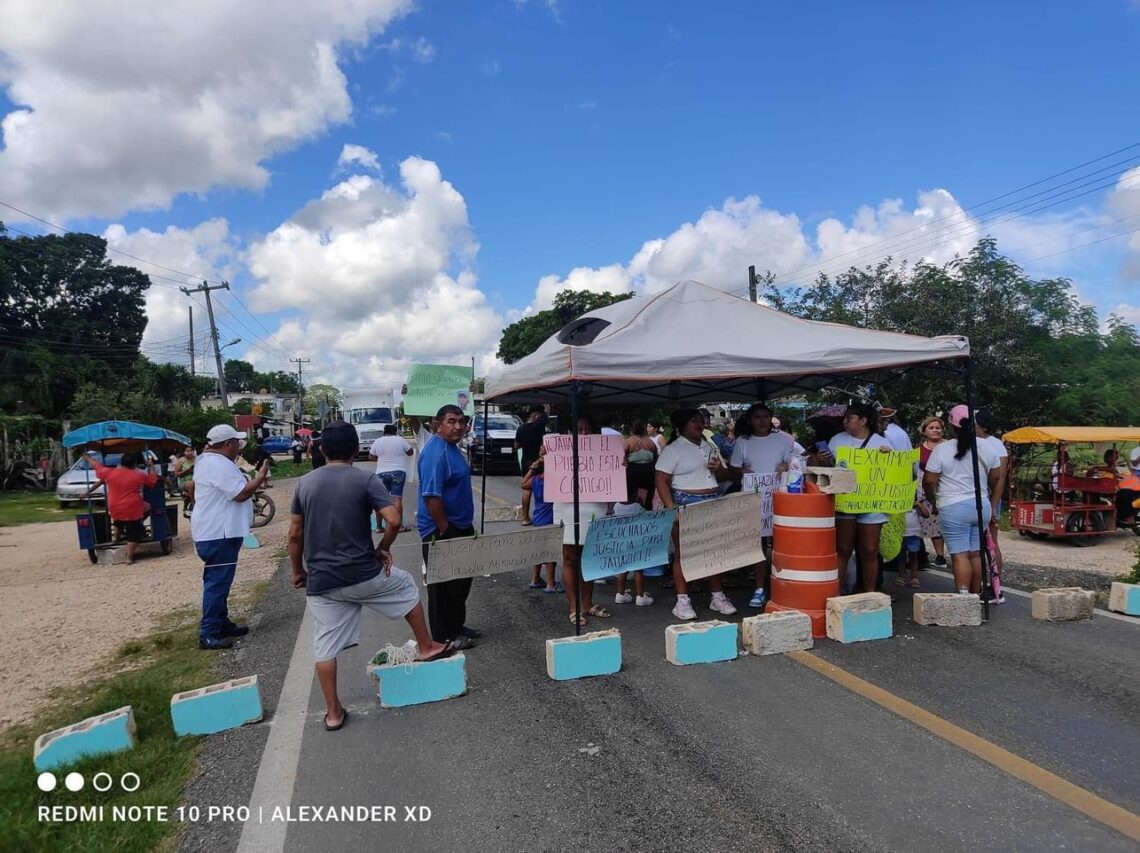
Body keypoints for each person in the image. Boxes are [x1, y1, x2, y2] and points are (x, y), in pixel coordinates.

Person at [290, 421, 450, 732]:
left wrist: (299, 572)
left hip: (323, 582)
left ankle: (333, 713)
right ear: (356, 450)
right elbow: (393, 519)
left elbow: (295, 535)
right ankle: (426, 645)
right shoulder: (365, 480)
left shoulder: (304, 484)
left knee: (324, 645)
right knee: (405, 584)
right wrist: (383, 549)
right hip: (364, 573)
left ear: (321, 450)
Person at [184, 425, 268, 650]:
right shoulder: (218, 465)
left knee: (219, 580)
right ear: (228, 444)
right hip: (218, 533)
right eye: (237, 443)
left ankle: (221, 622)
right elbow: (240, 494)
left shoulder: (207, 461)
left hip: (216, 531)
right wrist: (260, 476)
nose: (239, 447)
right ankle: (208, 631)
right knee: (217, 582)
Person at [656, 407, 738, 620]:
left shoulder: (709, 446)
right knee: (684, 553)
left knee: (713, 551)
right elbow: (661, 481)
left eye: (701, 421)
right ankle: (682, 601)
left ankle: (717, 596)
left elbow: (725, 474)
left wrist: (717, 468)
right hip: (685, 500)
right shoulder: (673, 450)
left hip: (711, 500)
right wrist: (670, 507)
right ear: (682, 425)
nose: (699, 424)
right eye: (694, 421)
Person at [417, 405, 478, 649]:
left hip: (460, 525)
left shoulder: (452, 448)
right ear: (437, 425)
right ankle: (443, 637)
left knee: (460, 582)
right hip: (441, 529)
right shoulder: (436, 452)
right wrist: (445, 528)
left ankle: (456, 626)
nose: (458, 426)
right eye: (451, 421)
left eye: (461, 422)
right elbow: (431, 495)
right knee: (442, 586)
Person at [923, 406, 1001, 596]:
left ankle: (963, 597)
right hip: (980, 505)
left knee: (960, 555)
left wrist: (932, 499)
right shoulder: (988, 447)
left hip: (953, 506)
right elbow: (996, 476)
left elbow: (929, 480)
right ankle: (975, 596)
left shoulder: (942, 449)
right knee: (975, 553)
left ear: (951, 426)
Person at [817, 402, 893, 594]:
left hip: (872, 503)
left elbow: (893, 472)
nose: (844, 422)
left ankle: (869, 594)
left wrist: (888, 456)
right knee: (842, 549)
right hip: (845, 503)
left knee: (869, 550)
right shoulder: (837, 440)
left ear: (863, 421)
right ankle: (835, 594)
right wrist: (823, 459)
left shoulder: (880, 442)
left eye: (849, 418)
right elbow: (829, 469)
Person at [730, 403, 792, 608]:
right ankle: (759, 587)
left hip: (779, 496)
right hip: (755, 497)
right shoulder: (742, 441)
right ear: (750, 420)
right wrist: (743, 473)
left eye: (766, 416)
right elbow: (735, 468)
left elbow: (794, 464)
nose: (762, 420)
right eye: (757, 417)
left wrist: (786, 466)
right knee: (758, 545)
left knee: (780, 543)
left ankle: (782, 584)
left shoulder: (782, 440)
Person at [554, 415, 611, 627]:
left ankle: (587, 604)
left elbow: (613, 478)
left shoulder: (603, 453)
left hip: (594, 507)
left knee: (589, 558)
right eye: (580, 429)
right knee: (570, 558)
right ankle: (573, 607)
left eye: (588, 429)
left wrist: (620, 464)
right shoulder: (559, 451)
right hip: (566, 508)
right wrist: (544, 458)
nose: (584, 434)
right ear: (571, 433)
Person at [83, 450, 159, 564]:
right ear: (134, 464)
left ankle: (116, 538)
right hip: (132, 508)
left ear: (121, 462)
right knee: (135, 531)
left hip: (114, 507)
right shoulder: (139, 474)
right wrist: (152, 467)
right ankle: (129, 558)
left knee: (117, 521)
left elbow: (97, 466)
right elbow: (152, 482)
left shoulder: (110, 472)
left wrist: (88, 458)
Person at [973, 408, 1008, 602]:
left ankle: (994, 585)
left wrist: (993, 505)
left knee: (990, 543)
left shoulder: (994, 445)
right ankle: (984, 585)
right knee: (980, 544)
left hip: (989, 498)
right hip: (980, 497)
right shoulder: (994, 444)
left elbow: (1000, 477)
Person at [612, 467, 654, 607]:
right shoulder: (638, 506)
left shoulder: (616, 506)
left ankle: (620, 593)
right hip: (636, 541)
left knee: (623, 567)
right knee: (638, 568)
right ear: (636, 492)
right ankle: (640, 595)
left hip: (622, 542)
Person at [522, 448, 559, 592]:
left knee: (538, 551)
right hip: (550, 520)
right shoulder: (554, 480)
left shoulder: (535, 480)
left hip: (537, 519)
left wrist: (533, 467)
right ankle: (550, 584)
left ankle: (535, 579)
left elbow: (523, 484)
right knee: (551, 553)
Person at [369, 424, 414, 528]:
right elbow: (410, 452)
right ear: (395, 432)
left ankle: (379, 527)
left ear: (384, 432)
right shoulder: (400, 440)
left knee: (380, 500)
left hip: (381, 473)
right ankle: (399, 526)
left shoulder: (378, 441)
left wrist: (380, 460)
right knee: (396, 499)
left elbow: (371, 456)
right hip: (398, 472)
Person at [917, 416, 948, 567]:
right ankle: (930, 554)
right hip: (924, 488)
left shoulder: (950, 447)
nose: (935, 430)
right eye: (931, 428)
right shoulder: (918, 450)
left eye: (938, 428)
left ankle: (946, 555)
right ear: (924, 431)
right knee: (929, 522)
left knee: (943, 522)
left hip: (945, 486)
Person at [514, 407, 547, 525]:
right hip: (541, 461)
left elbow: (516, 447)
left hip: (526, 462)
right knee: (543, 487)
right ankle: (544, 514)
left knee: (526, 490)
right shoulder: (541, 429)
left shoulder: (521, 429)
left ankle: (525, 518)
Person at [896, 483, 930, 589]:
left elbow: (926, 514)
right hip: (900, 533)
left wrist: (919, 504)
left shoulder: (916, 507)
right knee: (900, 556)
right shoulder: (898, 504)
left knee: (913, 556)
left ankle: (914, 577)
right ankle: (901, 576)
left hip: (914, 533)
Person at [624, 419, 658, 510]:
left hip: (633, 472)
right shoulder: (650, 443)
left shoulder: (628, 442)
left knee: (631, 496)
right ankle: (647, 512)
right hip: (649, 472)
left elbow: (622, 459)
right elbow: (656, 459)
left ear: (632, 429)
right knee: (648, 497)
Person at [1116, 447, 1140, 527]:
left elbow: (1128, 472)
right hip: (1127, 487)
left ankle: (1129, 517)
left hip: (1135, 488)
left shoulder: (1122, 466)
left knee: (1124, 494)